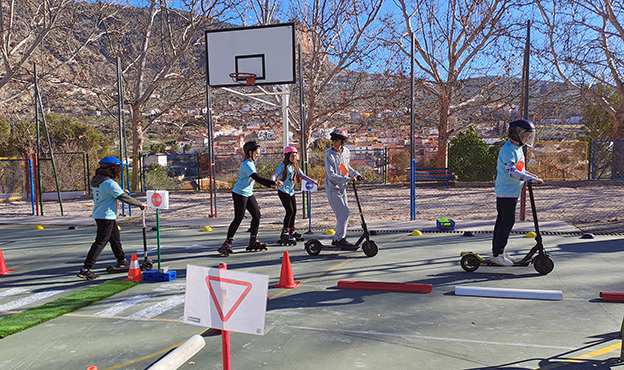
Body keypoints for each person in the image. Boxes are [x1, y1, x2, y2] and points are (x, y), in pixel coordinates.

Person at [78, 156, 147, 280]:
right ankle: (85, 269)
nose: (119, 170)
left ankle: (122, 260)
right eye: (117, 167)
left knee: (115, 238)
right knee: (100, 242)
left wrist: (120, 191)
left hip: (101, 214)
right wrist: (140, 204)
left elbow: (108, 193)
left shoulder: (97, 180)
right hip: (106, 216)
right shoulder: (110, 183)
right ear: (112, 169)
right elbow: (124, 198)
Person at [491, 119, 544, 266]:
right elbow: (512, 172)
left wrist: (531, 176)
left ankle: (499, 251)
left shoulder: (517, 149)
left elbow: (520, 170)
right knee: (506, 221)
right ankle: (497, 254)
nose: (527, 139)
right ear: (517, 134)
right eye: (526, 136)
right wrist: (529, 178)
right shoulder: (508, 150)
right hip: (505, 191)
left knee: (504, 221)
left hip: (513, 191)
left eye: (529, 136)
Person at [218, 141, 284, 257]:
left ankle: (253, 241)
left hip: (248, 193)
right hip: (239, 194)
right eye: (256, 153)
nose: (258, 155)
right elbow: (257, 178)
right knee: (238, 218)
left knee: (257, 215)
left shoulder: (251, 163)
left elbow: (256, 179)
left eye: (259, 153)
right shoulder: (247, 164)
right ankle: (226, 244)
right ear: (249, 152)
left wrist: (270, 184)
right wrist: (273, 182)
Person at [324, 129, 366, 250]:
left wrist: (357, 175)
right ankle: (339, 239)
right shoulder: (329, 155)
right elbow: (331, 175)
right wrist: (348, 179)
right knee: (343, 214)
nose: (334, 143)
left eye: (337, 140)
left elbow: (344, 167)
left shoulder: (345, 152)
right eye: (333, 140)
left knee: (343, 214)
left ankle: (338, 238)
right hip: (333, 188)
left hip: (342, 188)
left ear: (342, 142)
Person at [271, 146, 318, 245]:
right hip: (283, 191)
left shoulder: (295, 166)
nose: (294, 158)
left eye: (295, 156)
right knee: (289, 211)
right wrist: (274, 181)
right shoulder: (283, 165)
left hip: (291, 192)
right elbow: (274, 174)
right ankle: (285, 231)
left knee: (294, 211)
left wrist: (312, 181)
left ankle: (291, 230)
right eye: (292, 156)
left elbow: (302, 175)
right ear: (287, 156)